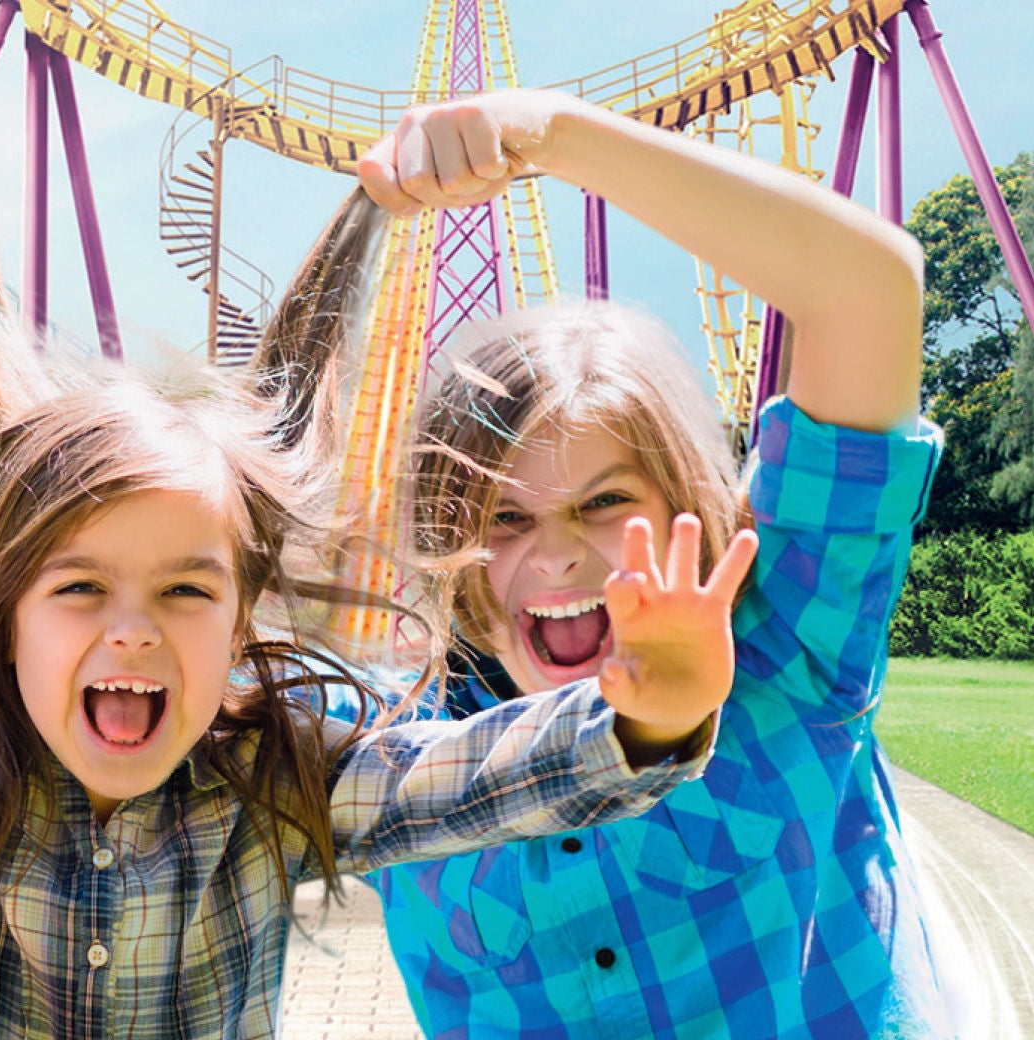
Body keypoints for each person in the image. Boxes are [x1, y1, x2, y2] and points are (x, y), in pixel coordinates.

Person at [0, 191, 760, 1039]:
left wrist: (641, 718)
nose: (133, 630)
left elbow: (473, 773)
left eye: (185, 590)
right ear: (9, 617)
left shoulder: (277, 771)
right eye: (81, 587)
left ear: (239, 623)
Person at [310, 87, 952, 1037]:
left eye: (605, 502)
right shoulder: (394, 743)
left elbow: (868, 292)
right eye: (505, 519)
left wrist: (548, 133)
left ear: (683, 502)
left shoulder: (785, 647)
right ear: (451, 543)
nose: (560, 554)